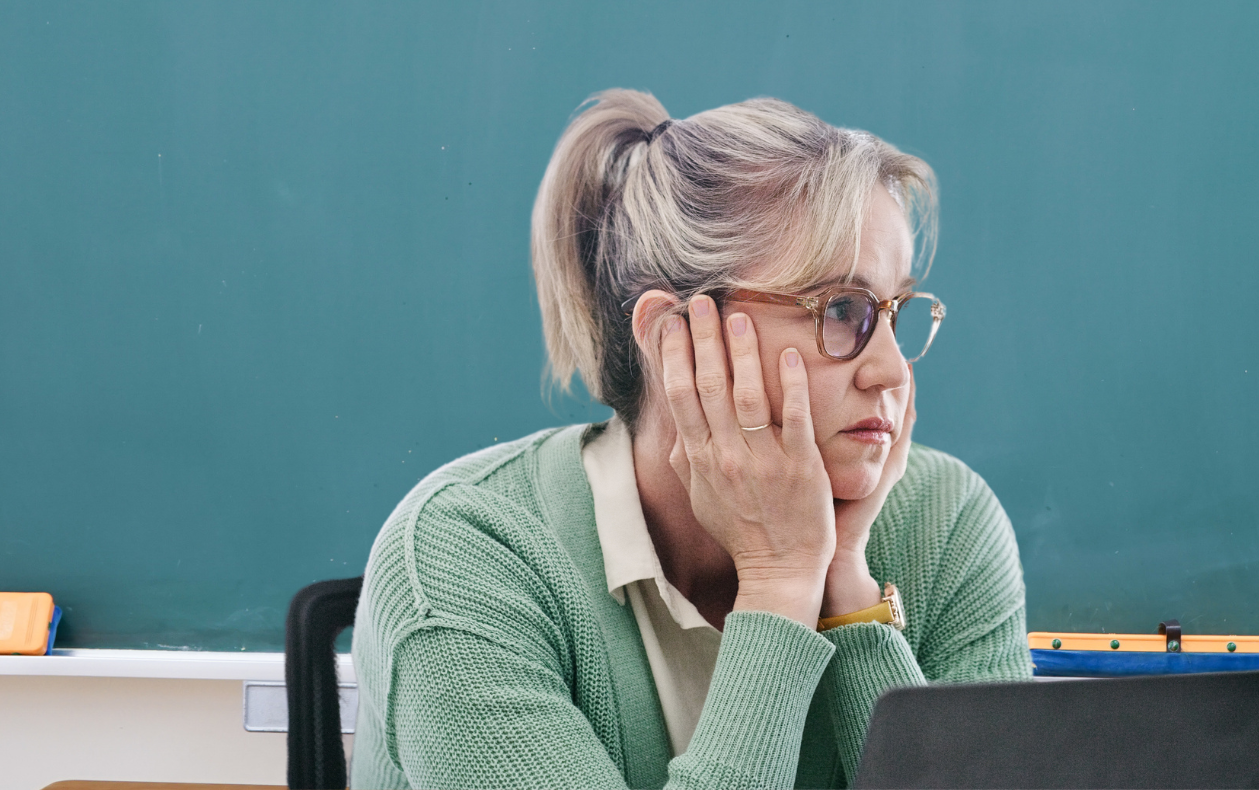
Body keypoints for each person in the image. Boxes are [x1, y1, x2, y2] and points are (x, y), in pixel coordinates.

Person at [350, 90, 1030, 789]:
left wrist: (848, 589)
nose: (890, 369)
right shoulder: (459, 556)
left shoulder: (944, 521)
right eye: (842, 310)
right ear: (671, 337)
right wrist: (779, 583)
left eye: (894, 312)